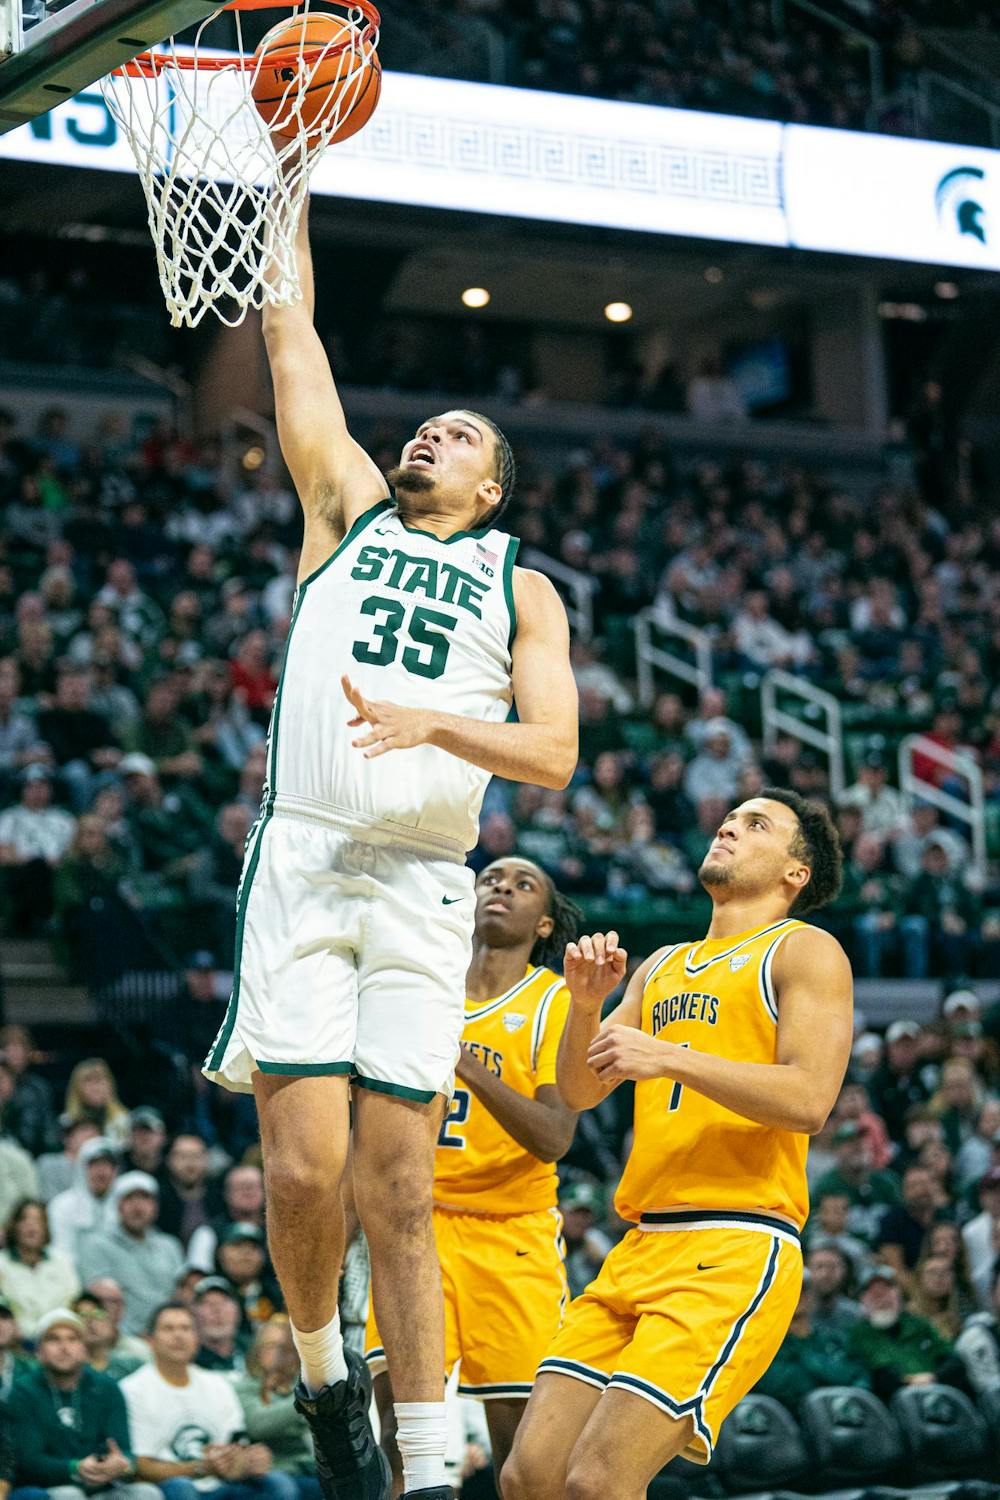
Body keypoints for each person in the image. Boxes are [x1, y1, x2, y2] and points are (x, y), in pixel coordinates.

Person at [207, 183, 579, 1500]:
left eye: (459, 433)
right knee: (305, 1170)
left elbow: (553, 754)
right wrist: (285, 182)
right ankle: (323, 1378)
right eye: (427, 423)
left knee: (399, 1189)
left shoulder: (521, 583)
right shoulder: (345, 510)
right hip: (306, 854)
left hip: (426, 879)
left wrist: (429, 720)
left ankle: (425, 1472)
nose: (430, 434)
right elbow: (294, 326)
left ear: (494, 482)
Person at [504, 789, 853, 1500]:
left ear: (796, 873)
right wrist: (583, 1004)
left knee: (598, 1481)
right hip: (640, 1244)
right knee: (530, 1475)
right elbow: (579, 1091)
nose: (729, 825)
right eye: (731, 817)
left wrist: (671, 1058)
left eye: (758, 825)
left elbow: (810, 1100)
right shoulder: (662, 964)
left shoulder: (805, 950)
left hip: (733, 1244)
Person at [366, 858, 580, 1493]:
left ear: (543, 922)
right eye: (491, 879)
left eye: (523, 884)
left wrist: (463, 1062)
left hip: (511, 1235)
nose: (501, 888)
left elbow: (554, 1136)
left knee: (523, 1459)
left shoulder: (555, 1001)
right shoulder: (421, 987)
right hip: (416, 1228)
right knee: (401, 1440)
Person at [122, 1301, 295, 1500]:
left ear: (197, 1338)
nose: (178, 1335)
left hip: (222, 1483)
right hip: (171, 1488)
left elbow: (237, 1442)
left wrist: (245, 1461)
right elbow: (140, 1465)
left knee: (278, 1483)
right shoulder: (133, 1389)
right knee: (182, 1488)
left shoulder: (217, 1385)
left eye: (186, 1328)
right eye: (168, 1328)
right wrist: (200, 1468)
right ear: (150, 1339)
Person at [4, 1308, 159, 1500]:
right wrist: (75, 1467)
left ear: (85, 1350)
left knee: (147, 1493)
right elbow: (28, 1462)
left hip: (103, 1487)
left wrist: (122, 1463)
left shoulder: (107, 1388)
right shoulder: (24, 1391)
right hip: (48, 1488)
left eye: (73, 1339)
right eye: (54, 1339)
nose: (64, 1347)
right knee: (70, 1495)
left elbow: (124, 1449)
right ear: (39, 1352)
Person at [76, 1173, 184, 1335]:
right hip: (122, 1338)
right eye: (129, 1199)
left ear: (155, 1206)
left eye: (145, 1199)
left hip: (168, 1335)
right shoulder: (96, 1244)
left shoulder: (169, 1246)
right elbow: (98, 1303)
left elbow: (180, 1296)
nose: (138, 1207)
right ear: (118, 1205)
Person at [752, 1274, 869, 1416]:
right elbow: (779, 1386)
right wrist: (825, 1374)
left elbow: (857, 1376)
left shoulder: (831, 1340)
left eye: (801, 1290)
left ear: (810, 1297)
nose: (796, 1295)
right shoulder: (766, 1347)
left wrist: (807, 1360)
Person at [234, 1322, 322, 1500]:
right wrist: (304, 1397)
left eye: (285, 1347)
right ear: (257, 1351)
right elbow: (258, 1424)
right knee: (283, 1488)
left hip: (307, 1467)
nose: (279, 1353)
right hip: (267, 1470)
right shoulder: (245, 1387)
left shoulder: (298, 1386)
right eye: (271, 1346)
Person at [848, 1265, 954, 1402]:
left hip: (938, 1393)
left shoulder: (919, 1324)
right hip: (893, 1404)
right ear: (862, 1299)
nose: (880, 1296)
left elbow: (950, 1358)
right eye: (872, 1292)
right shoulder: (859, 1334)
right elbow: (880, 1374)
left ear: (898, 1293)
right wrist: (912, 1381)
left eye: (886, 1290)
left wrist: (934, 1378)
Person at [0, 1199, 80, 1340]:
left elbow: (73, 1301)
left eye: (38, 1220)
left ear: (46, 1227)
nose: (31, 1226)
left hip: (58, 1337)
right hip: (16, 1341)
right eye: (24, 1220)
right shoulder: (2, 1264)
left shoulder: (62, 1263)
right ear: (14, 1226)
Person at [47, 1136, 118, 1258]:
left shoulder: (123, 1206)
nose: (102, 1171)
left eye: (107, 1164)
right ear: (82, 1168)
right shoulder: (62, 1205)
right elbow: (61, 1252)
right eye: (95, 1164)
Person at [71, 1291, 146, 1382]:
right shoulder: (67, 1370)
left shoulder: (131, 1366)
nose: (90, 1321)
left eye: (96, 1314)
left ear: (109, 1322)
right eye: (82, 1315)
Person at [192, 1278, 247, 1372]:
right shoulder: (186, 1359)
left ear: (238, 1311)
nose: (217, 1310)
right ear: (193, 1312)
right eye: (207, 1303)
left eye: (224, 1302)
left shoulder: (253, 1353)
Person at [805, 1245, 862, 1335]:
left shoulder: (856, 1314)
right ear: (807, 1270)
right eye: (819, 1267)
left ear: (844, 1271)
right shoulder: (795, 1312)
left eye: (832, 1267)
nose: (825, 1274)